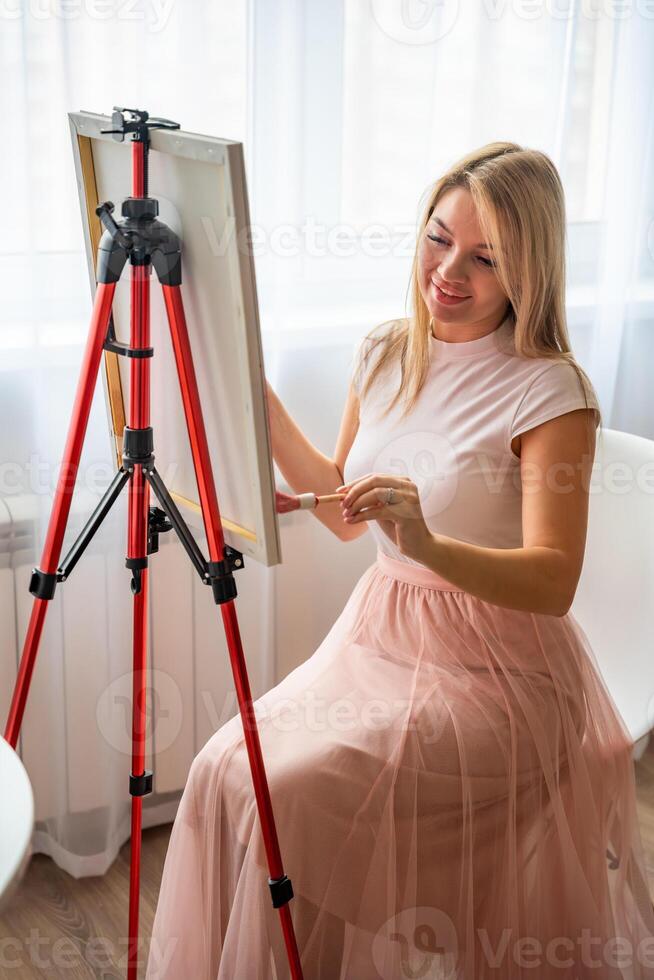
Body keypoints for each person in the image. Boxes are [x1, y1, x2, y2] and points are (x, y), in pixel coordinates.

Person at [145, 143, 654, 979]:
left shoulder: (550, 391)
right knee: (221, 769)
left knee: (291, 796)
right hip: (384, 641)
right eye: (438, 237)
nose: (449, 271)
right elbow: (348, 508)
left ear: (529, 269)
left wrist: (427, 542)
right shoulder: (387, 349)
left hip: (508, 674)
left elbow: (554, 583)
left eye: (486, 258)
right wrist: (255, 399)